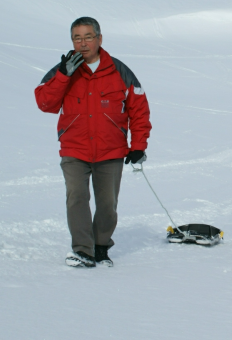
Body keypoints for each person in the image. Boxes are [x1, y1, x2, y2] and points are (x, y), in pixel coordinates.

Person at [35, 17, 151, 268]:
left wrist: (138, 145)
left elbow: (139, 110)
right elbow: (45, 103)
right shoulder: (61, 70)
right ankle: (82, 249)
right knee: (77, 197)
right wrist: (64, 75)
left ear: (99, 38)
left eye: (88, 37)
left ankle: (100, 247)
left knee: (107, 204)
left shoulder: (120, 71)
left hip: (111, 150)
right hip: (74, 149)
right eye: (77, 38)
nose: (83, 43)